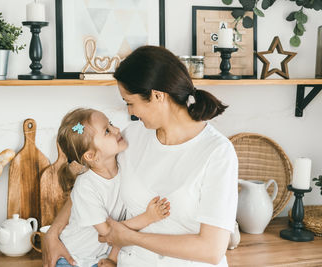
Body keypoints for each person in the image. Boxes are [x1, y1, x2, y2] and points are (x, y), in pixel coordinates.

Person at [43, 46, 238, 267]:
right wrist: (53, 233)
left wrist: (132, 238)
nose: (129, 112)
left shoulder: (217, 152)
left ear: (157, 96)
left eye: (130, 102)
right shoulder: (131, 138)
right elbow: (92, 184)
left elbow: (211, 250)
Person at [53, 108, 170, 267]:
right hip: (72, 259)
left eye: (112, 124)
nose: (116, 130)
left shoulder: (124, 168)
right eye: (107, 131)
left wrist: (112, 258)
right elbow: (108, 233)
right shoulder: (86, 187)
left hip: (99, 259)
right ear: (91, 156)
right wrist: (148, 217)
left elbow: (119, 227)